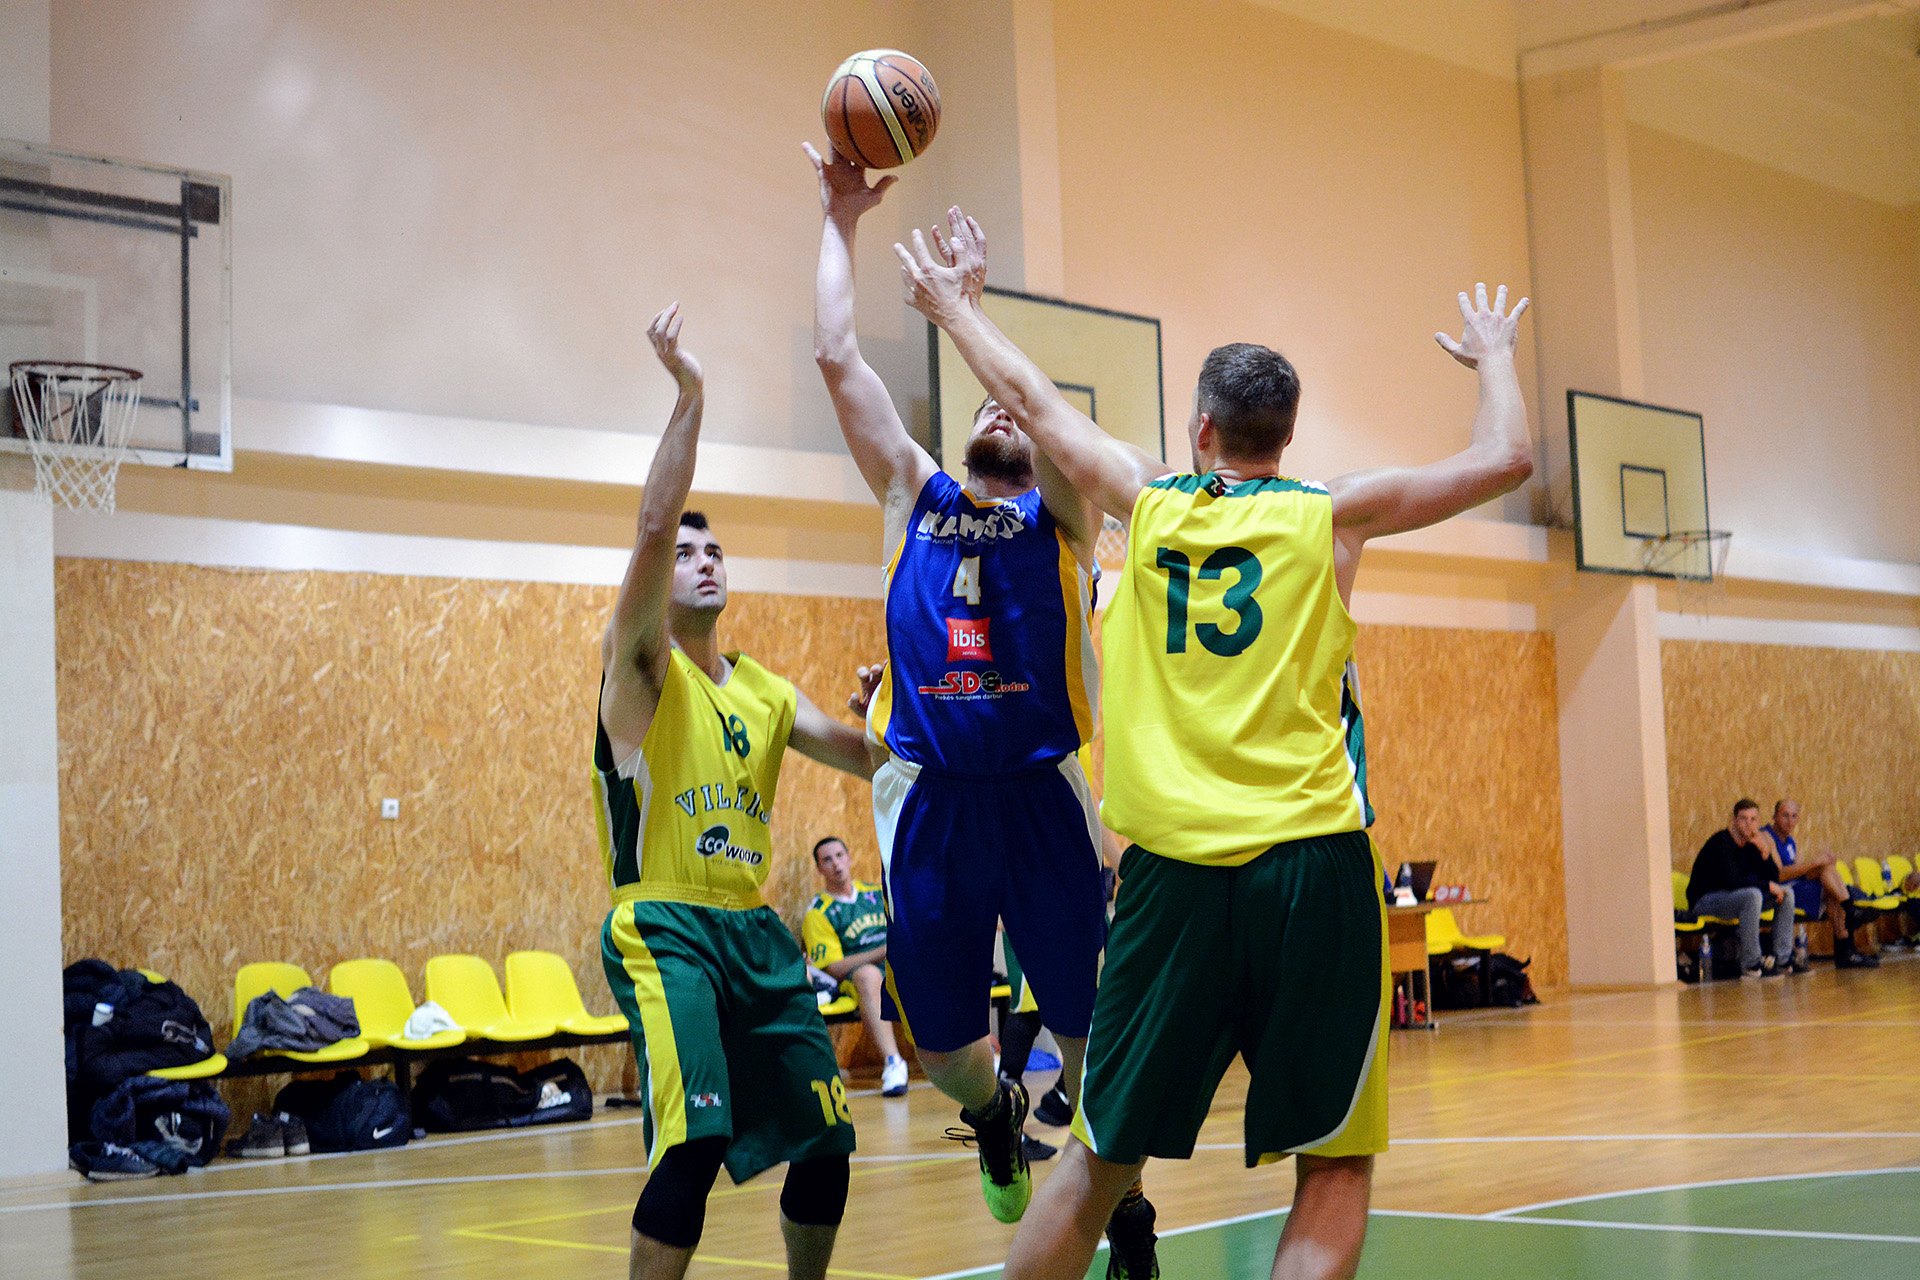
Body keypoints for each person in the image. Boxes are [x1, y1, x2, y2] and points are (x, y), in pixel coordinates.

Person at [896, 206, 1533, 1280]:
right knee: (1333, 1164)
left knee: (1097, 1158)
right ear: (1286, 435)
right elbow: (1507, 456)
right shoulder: (1331, 514)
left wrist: (958, 307)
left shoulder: (1145, 501)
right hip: (1311, 867)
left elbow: (1035, 402)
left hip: (1173, 875)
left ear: (1201, 429)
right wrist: (1495, 355)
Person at [807, 141, 1158, 1269]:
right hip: (934, 800)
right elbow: (836, 355)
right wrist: (839, 217)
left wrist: (971, 312)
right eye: (988, 412)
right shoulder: (911, 492)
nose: (1003, 419)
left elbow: (1047, 416)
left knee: (1093, 1045)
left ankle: (1125, 1214)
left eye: (1014, 413)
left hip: (1042, 791)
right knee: (950, 1053)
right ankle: (998, 1109)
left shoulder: (1061, 511)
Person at [595, 303, 875, 1280]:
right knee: (695, 1146)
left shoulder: (763, 690)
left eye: (713, 551)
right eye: (686, 554)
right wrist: (691, 393)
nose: (701, 559)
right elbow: (651, 524)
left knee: (829, 1141)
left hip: (754, 931)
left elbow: (868, 756)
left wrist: (905, 714)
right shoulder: (639, 668)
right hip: (666, 923)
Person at [801, 836, 911, 1096]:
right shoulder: (818, 912)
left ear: (849, 858)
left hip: (898, 965)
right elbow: (832, 967)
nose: (836, 864)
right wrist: (883, 951)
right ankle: (894, 1063)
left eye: (840, 856)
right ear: (819, 869)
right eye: (827, 860)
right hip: (856, 979)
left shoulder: (875, 893)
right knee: (867, 975)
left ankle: (971, 1050)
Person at [1760, 799, 1878, 969]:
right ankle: (1848, 930)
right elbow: (1779, 875)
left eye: (1794, 816)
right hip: (1777, 890)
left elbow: (1799, 871)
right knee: (1829, 884)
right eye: (1785, 815)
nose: (1789, 821)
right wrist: (1814, 863)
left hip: (1793, 886)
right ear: (1774, 816)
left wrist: (1820, 864)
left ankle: (1846, 948)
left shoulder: (1790, 841)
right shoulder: (1767, 836)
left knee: (1828, 878)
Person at [1687, 798, 1795, 978]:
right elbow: (1732, 881)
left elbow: (1774, 878)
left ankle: (1783, 960)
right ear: (1734, 820)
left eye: (1753, 819)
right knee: (1753, 895)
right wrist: (1768, 886)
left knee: (1787, 893)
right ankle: (1751, 964)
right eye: (1743, 818)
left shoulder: (1751, 845)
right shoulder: (1721, 842)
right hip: (1705, 901)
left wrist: (1765, 853)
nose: (1748, 824)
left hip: (1733, 900)